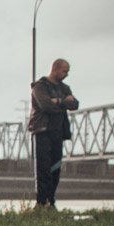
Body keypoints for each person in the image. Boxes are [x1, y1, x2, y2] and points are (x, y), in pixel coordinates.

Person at [27, 58, 79, 209]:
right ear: (55, 68)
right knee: (42, 167)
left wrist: (58, 101)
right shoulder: (40, 86)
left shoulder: (64, 88)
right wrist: (64, 102)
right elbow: (45, 105)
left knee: (55, 168)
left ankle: (51, 201)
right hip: (42, 130)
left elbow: (75, 104)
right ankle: (41, 202)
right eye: (64, 71)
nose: (66, 74)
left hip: (58, 133)